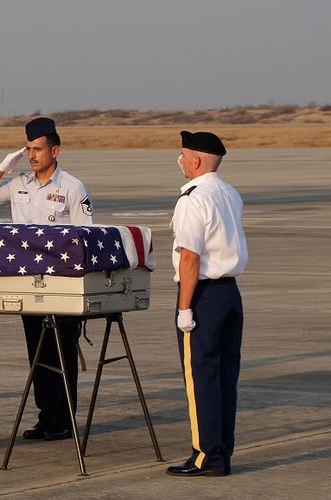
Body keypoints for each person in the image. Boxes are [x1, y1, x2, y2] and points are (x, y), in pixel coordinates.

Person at [0, 117, 94, 440]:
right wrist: (2, 167)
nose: (32, 155)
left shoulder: (71, 187)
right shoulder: (20, 184)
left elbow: (86, 234)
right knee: (38, 353)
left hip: (62, 284)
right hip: (27, 283)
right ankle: (45, 416)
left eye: (37, 149)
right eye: (28, 149)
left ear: (55, 150)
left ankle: (63, 420)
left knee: (62, 352)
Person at [166, 131, 248, 477]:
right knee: (225, 378)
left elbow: (189, 257)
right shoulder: (230, 192)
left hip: (204, 296)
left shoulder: (192, 198)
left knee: (201, 379)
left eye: (183, 156)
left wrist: (185, 308)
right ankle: (220, 454)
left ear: (196, 160)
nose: (180, 162)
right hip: (231, 294)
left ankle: (206, 456)